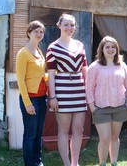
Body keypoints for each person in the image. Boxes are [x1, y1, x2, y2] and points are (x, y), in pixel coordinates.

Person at [46, 13, 87, 166]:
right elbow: (51, 75)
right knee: (63, 130)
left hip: (79, 88)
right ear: (59, 25)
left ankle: (75, 163)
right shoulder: (52, 47)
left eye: (72, 25)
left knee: (79, 129)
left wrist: (88, 91)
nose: (69, 28)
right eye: (66, 24)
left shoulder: (80, 45)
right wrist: (53, 97)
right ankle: (66, 163)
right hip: (62, 89)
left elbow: (85, 69)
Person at [86, 36, 127, 166]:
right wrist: (93, 108)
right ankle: (102, 163)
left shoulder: (122, 66)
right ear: (102, 50)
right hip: (101, 109)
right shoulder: (95, 66)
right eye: (107, 47)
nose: (110, 49)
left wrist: (126, 104)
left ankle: (114, 162)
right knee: (104, 138)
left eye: (113, 47)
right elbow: (88, 88)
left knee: (115, 137)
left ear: (117, 49)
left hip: (119, 108)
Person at [16, 20, 47, 166]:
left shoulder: (39, 52)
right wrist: (27, 103)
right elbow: (21, 80)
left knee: (39, 133)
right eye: (36, 31)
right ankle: (30, 163)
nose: (39, 34)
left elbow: (40, 75)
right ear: (29, 33)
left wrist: (54, 75)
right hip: (31, 99)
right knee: (30, 134)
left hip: (42, 98)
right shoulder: (23, 53)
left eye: (41, 32)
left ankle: (38, 162)